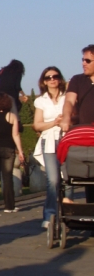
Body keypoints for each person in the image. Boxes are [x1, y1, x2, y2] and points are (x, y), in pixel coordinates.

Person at [33, 66, 73, 229]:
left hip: (67, 139)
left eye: (55, 76)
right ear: (44, 81)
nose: (52, 79)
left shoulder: (67, 97)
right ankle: (49, 214)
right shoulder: (41, 101)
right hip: (49, 140)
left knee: (68, 178)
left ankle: (69, 212)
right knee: (53, 180)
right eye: (48, 77)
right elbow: (37, 125)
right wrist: (54, 123)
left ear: (60, 79)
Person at [61, 44, 94, 204]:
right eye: (82, 60)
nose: (83, 63)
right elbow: (69, 100)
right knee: (89, 176)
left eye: (88, 60)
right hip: (85, 134)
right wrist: (66, 117)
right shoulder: (77, 80)